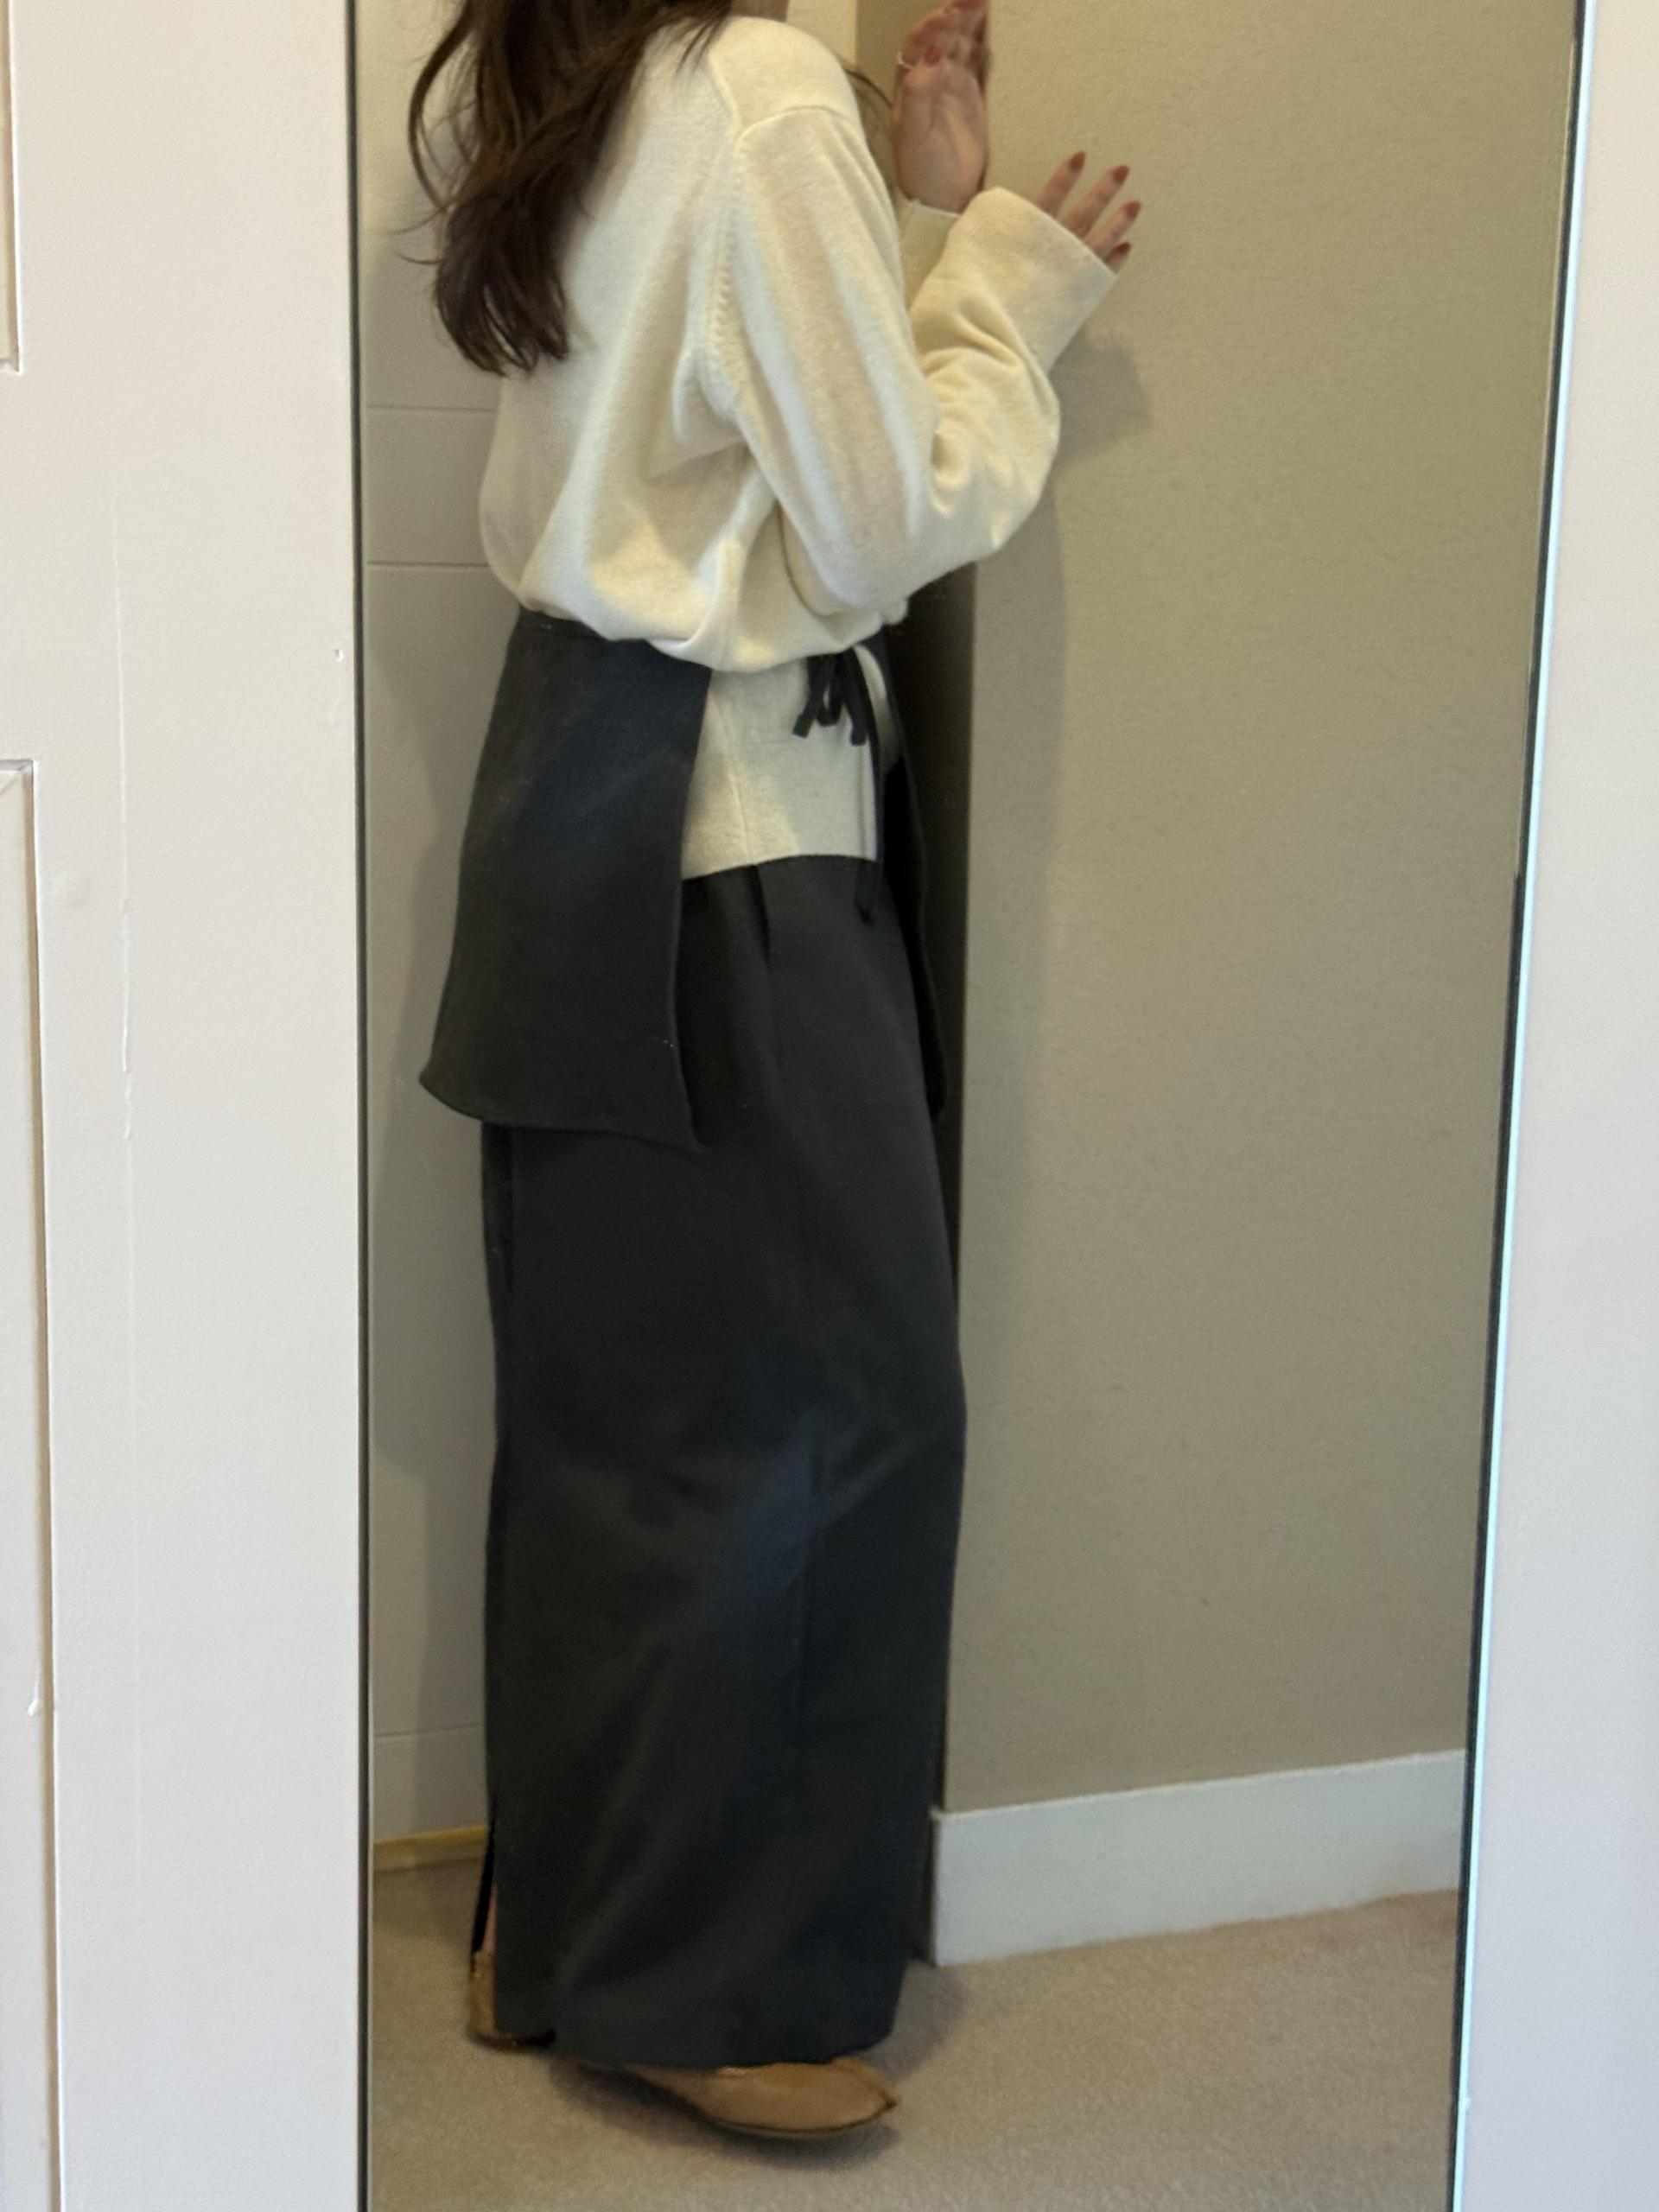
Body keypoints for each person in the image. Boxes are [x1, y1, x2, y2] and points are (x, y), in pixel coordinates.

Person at [408, 0, 1139, 2143]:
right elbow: (875, 517)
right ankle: (704, 1979)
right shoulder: (752, 90)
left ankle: (566, 1921)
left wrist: (899, 222)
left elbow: (725, 419)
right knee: (836, 1416)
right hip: (729, 840)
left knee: (623, 1423)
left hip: (567, 805)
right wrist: (998, 286)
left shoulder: (577, 91)